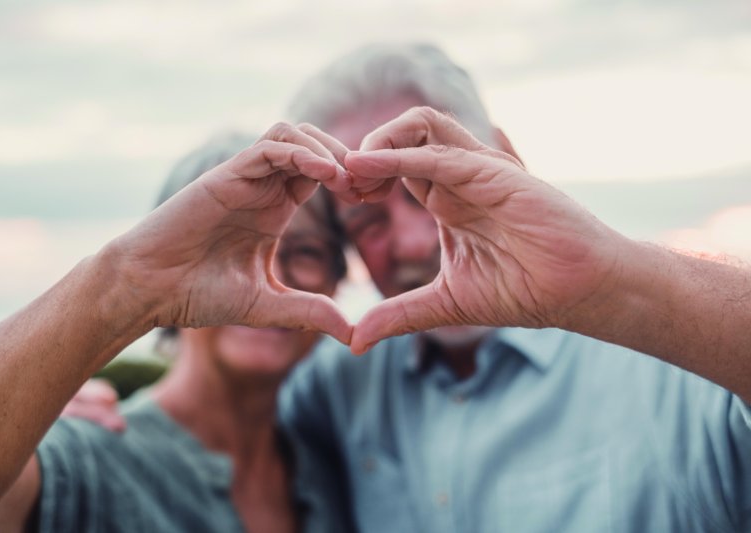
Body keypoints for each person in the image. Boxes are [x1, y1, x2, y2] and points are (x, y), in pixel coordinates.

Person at [277, 43, 751, 532]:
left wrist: (613, 280)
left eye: (427, 189)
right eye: (368, 220)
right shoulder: (336, 386)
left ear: (504, 156)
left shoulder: (671, 357)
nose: (415, 245)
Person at [0, 125, 356, 532]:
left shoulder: (338, 467)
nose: (271, 277)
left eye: (307, 252)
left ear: (336, 282)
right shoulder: (86, 457)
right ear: (173, 268)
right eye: (233, 248)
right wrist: (120, 287)